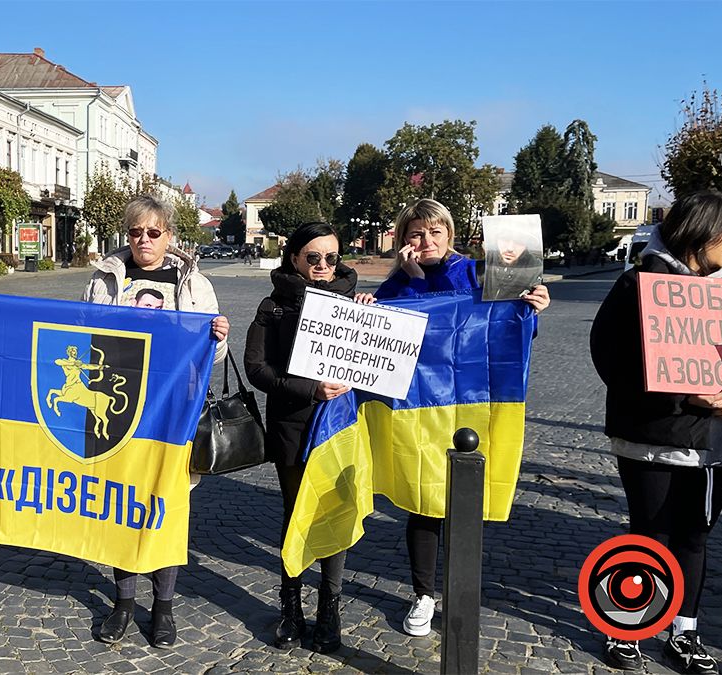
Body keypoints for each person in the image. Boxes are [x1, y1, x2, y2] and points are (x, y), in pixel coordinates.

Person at [358, 199, 549, 637]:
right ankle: (423, 594)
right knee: (423, 504)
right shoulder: (395, 283)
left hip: (471, 405)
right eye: (416, 233)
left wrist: (532, 308)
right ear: (402, 239)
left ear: (450, 234)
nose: (426, 240)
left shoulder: (477, 273)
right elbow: (385, 342)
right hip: (418, 412)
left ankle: (461, 595)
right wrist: (407, 283)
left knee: (464, 505)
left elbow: (507, 330)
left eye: (435, 232)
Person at [589, 190, 722, 674]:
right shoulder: (637, 285)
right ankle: (625, 627)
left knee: (694, 537)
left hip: (715, 444)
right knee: (649, 533)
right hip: (651, 437)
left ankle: (684, 633)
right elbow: (611, 360)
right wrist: (683, 395)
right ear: (704, 234)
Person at [82, 195, 230, 649]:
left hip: (173, 409)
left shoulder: (193, 282)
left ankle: (163, 607)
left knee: (166, 506)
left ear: (169, 236)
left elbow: (212, 356)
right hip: (120, 406)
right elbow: (84, 335)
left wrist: (219, 338)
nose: (143, 240)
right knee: (122, 505)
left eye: (153, 232)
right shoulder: (105, 278)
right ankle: (124, 602)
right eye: (135, 232)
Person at [244, 222, 358, 653]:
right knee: (296, 513)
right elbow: (256, 368)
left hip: (341, 425)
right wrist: (310, 389)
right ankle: (291, 605)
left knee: (335, 512)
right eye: (313, 257)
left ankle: (330, 607)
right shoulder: (273, 306)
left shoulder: (355, 302)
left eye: (331, 257)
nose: (323, 265)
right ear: (294, 258)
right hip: (292, 424)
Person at [483, 224, 543, 301]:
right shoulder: (483, 262)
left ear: (526, 245)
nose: (510, 248)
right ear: (496, 240)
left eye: (519, 241)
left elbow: (533, 299)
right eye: (505, 239)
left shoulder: (533, 267)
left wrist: (537, 305)